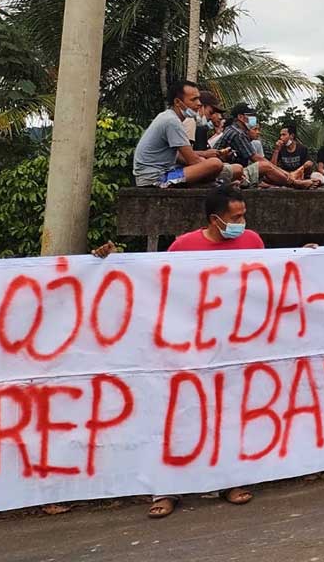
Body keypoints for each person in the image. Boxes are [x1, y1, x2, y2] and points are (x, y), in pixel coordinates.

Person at [91, 185, 257, 518]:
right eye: (236, 217)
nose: (243, 221)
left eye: (243, 215)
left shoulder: (253, 241)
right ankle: (168, 490)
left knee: (227, 416)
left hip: (232, 347)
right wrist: (108, 263)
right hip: (187, 346)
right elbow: (152, 283)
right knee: (178, 419)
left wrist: (304, 256)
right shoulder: (183, 247)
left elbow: (269, 282)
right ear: (215, 219)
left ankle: (230, 480)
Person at [133, 82, 234, 188]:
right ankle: (215, 185)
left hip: (156, 174)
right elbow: (193, 160)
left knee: (216, 165)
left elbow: (180, 156)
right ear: (177, 102)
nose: (199, 103)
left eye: (198, 99)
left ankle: (215, 185)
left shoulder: (168, 117)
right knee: (215, 164)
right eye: (193, 99)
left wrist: (204, 158)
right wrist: (208, 163)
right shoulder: (172, 122)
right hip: (157, 178)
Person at [219, 103, 320, 189]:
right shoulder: (238, 133)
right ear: (240, 117)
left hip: (231, 171)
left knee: (266, 171)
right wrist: (286, 173)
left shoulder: (232, 130)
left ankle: (291, 179)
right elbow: (258, 159)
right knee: (264, 166)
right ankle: (294, 183)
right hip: (227, 173)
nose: (253, 118)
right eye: (250, 115)